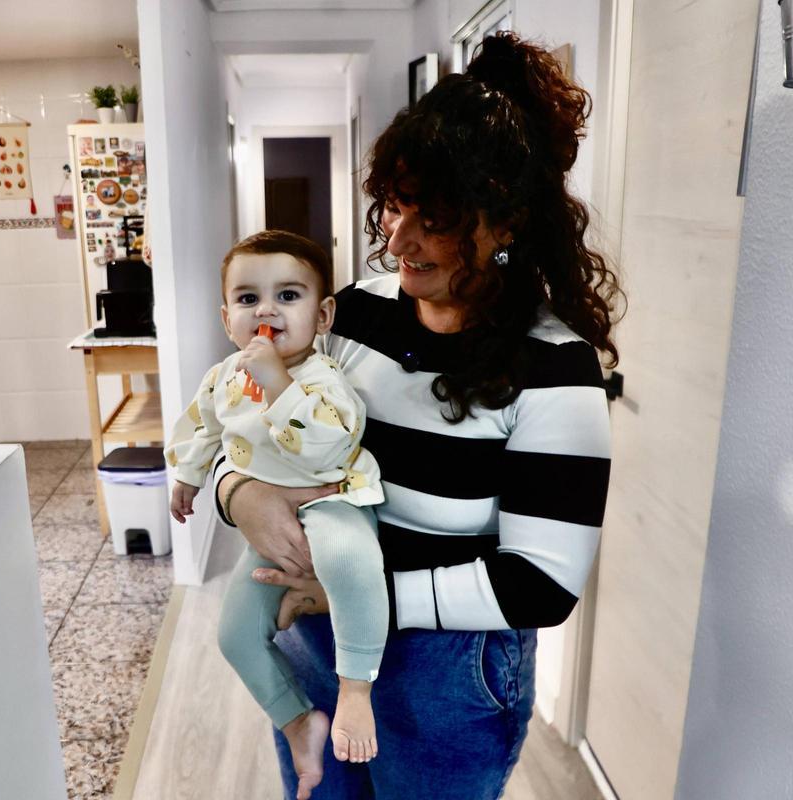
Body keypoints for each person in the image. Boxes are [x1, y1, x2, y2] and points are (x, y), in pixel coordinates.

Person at [210, 32, 623, 799]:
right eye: (395, 207)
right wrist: (239, 491)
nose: (397, 239)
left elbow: (540, 585)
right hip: (318, 638)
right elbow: (260, 416)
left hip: (447, 680)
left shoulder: (554, 369)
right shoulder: (355, 312)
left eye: (432, 218)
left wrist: (364, 598)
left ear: (505, 225)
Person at [165, 230, 390, 800]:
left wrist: (279, 383)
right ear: (226, 319)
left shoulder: (321, 379)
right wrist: (190, 476)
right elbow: (201, 427)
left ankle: (355, 689)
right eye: (247, 300)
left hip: (334, 504)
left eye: (288, 295)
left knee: (349, 561)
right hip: (269, 530)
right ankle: (296, 720)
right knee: (236, 633)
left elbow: (330, 448)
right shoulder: (223, 378)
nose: (265, 310)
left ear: (322, 314)